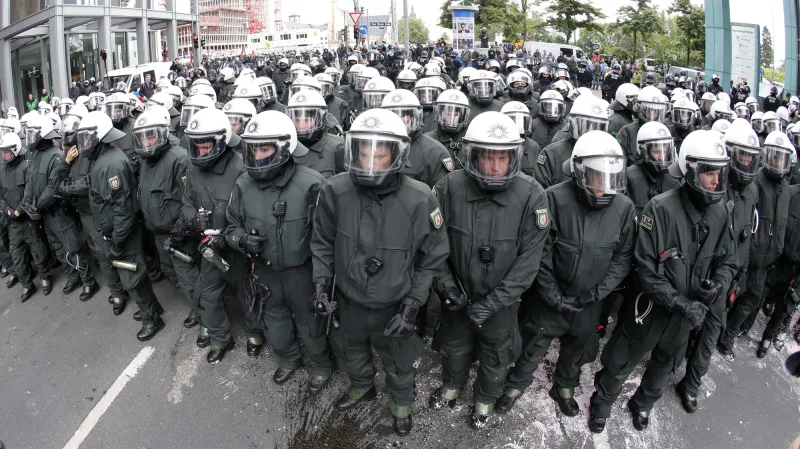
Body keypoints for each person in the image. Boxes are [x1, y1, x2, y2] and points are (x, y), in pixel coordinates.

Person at [310, 108, 449, 436]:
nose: (370, 161)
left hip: (394, 303)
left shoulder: (419, 199)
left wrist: (413, 304)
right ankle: (362, 386)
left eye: (380, 154)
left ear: (398, 154)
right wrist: (320, 286)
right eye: (362, 152)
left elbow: (433, 256)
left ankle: (401, 403)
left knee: (400, 363)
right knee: (350, 349)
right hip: (348, 298)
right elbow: (322, 243)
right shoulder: (335, 191)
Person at [589, 130, 737, 433]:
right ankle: (602, 403)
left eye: (719, 174)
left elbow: (728, 260)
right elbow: (645, 270)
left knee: (665, 364)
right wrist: (679, 302)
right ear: (690, 170)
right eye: (709, 173)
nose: (715, 181)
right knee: (622, 359)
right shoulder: (661, 208)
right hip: (650, 310)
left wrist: (718, 285)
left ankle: (642, 404)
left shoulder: (721, 211)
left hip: (687, 314)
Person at [497, 130, 634, 421]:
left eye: (613, 178)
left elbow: (622, 257)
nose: (605, 187)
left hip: (588, 301)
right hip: (549, 299)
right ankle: (514, 386)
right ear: (579, 173)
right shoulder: (553, 199)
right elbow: (540, 252)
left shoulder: (623, 208)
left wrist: (596, 295)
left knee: (576, 349)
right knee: (532, 347)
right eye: (598, 178)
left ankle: (564, 387)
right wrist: (553, 295)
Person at [428, 111, 549, 428]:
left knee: (496, 357)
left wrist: (493, 303)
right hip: (458, 294)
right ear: (471, 155)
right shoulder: (448, 188)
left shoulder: (531, 195)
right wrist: (447, 288)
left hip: (502, 303)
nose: (495, 167)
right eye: (487, 158)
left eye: (503, 158)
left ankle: (484, 401)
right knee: (455, 347)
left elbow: (528, 263)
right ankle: (452, 387)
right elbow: (434, 247)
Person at [226, 110, 334, 392]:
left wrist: (324, 279)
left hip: (302, 272)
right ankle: (288, 359)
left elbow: (326, 237)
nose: (257, 155)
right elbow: (231, 226)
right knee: (274, 320)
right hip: (263, 271)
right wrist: (241, 241)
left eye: (265, 148)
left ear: (284, 148)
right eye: (253, 148)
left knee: (310, 322)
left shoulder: (311, 184)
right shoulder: (243, 184)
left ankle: (320, 366)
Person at [677, 120, 760, 412]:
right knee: (682, 328)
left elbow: (748, 235)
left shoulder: (751, 194)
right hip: (698, 273)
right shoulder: (711, 187)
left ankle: (691, 385)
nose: (746, 164)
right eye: (742, 157)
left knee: (713, 331)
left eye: (752, 158)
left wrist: (735, 276)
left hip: (724, 276)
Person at [178, 107, 261, 363]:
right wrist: (193, 219)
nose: (201, 153)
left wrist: (230, 235)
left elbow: (252, 209)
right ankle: (220, 339)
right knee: (207, 294)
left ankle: (255, 334)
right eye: (196, 147)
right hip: (209, 247)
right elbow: (187, 201)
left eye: (206, 147)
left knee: (247, 291)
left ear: (221, 141)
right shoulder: (194, 171)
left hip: (236, 247)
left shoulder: (240, 168)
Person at [77, 111, 165, 340]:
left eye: (87, 138)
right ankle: (153, 307)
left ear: (100, 137)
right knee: (134, 272)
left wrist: (117, 240)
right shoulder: (103, 159)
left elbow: (122, 209)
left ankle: (152, 318)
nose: (84, 143)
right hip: (117, 231)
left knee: (131, 276)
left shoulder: (111, 164)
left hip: (123, 233)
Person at [718, 130, 793, 360]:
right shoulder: (756, 182)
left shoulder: (787, 189)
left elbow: (780, 226)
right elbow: (749, 222)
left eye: (782, 159)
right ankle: (713, 333)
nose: (778, 163)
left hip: (766, 261)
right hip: (748, 255)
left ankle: (727, 337)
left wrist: (776, 252)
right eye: (774, 157)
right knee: (730, 298)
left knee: (750, 302)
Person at [133, 106, 200, 329]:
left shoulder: (179, 159)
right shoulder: (145, 161)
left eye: (150, 136)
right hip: (158, 233)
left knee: (187, 277)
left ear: (162, 133)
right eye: (141, 138)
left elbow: (189, 200)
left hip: (178, 233)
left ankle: (205, 316)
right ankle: (196, 306)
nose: (146, 143)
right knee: (170, 271)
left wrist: (181, 230)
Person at [24, 113, 100, 301]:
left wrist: (38, 206)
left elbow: (53, 186)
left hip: (57, 211)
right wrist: (28, 202)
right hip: (44, 213)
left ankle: (89, 281)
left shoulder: (56, 156)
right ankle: (73, 277)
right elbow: (30, 182)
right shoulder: (35, 156)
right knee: (58, 248)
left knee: (72, 247)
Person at [0, 133, 52, 301]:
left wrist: (20, 210)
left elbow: (31, 192)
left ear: (15, 150)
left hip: (27, 219)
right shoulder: (2, 170)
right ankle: (27, 285)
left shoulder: (26, 167)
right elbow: (0, 196)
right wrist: (7, 210)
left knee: (38, 251)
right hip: (13, 223)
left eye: (6, 151)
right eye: (2, 151)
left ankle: (45, 278)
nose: (4, 154)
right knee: (17, 255)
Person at [534, 94, 610, 189]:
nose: (590, 132)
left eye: (598, 127)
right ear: (571, 124)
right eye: (585, 126)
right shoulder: (551, 154)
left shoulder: (610, 157)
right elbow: (541, 194)